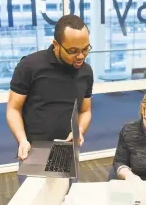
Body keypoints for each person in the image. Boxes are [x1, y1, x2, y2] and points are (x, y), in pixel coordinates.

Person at [6, 15, 94, 184]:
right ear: (56, 45)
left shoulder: (86, 72)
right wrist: (22, 140)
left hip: (66, 152)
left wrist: (80, 131)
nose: (81, 56)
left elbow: (86, 110)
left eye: (85, 49)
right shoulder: (30, 66)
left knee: (66, 203)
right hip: (34, 151)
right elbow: (13, 109)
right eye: (73, 51)